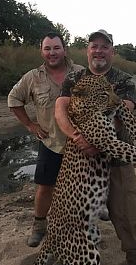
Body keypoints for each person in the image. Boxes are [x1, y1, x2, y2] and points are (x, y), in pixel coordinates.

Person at [55, 29, 136, 265]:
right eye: (94, 46)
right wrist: (77, 137)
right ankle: (71, 258)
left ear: (112, 51)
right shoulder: (74, 77)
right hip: (81, 162)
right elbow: (60, 109)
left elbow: (123, 110)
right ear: (87, 50)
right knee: (73, 217)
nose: (98, 50)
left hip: (117, 161)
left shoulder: (122, 79)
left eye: (104, 46)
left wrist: (95, 141)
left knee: (131, 217)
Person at [7, 32, 84, 247]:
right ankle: (39, 225)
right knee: (45, 187)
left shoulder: (80, 73)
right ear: (42, 51)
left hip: (79, 143)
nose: (52, 53)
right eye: (47, 48)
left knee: (78, 187)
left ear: (64, 49)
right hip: (50, 142)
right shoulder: (32, 77)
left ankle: (76, 226)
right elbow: (13, 100)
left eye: (56, 48)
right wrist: (31, 125)